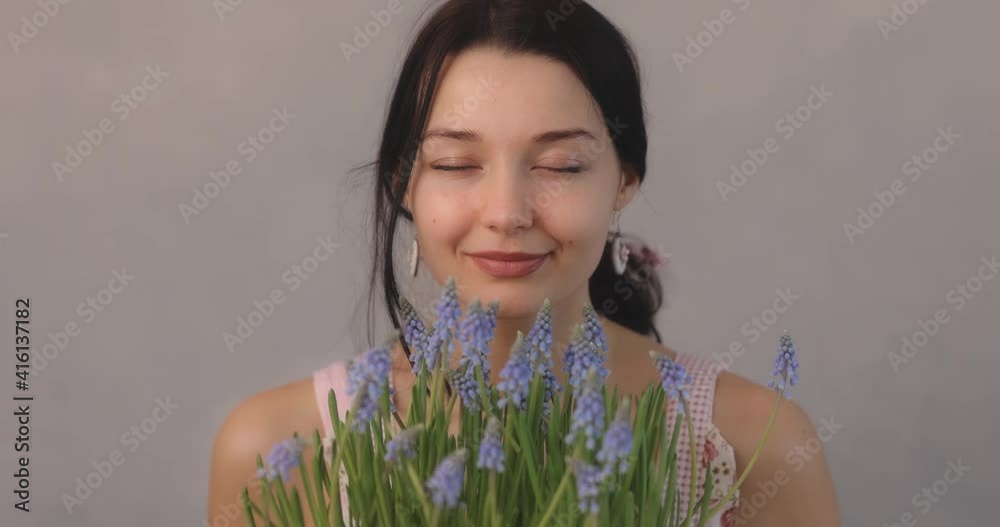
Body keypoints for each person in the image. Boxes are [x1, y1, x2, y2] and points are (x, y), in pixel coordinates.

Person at [207, 1, 840, 525]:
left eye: (561, 165)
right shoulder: (276, 447)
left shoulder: (754, 443)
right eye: (456, 164)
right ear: (405, 182)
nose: (507, 213)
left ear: (624, 180)